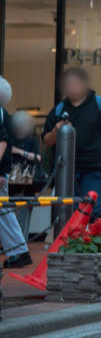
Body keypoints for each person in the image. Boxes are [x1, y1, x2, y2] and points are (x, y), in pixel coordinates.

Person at [42, 67, 101, 218]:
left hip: (95, 166)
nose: (71, 87)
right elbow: (46, 140)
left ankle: (95, 240)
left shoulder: (100, 105)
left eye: (75, 83)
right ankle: (71, 241)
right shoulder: (59, 110)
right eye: (68, 84)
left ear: (84, 84)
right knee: (68, 210)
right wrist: (56, 131)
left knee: (92, 209)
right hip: (67, 169)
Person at [0, 77, 32, 269]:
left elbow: (3, 141)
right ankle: (19, 252)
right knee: (4, 211)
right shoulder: (4, 114)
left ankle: (19, 252)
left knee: (4, 211)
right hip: (3, 170)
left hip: (1, 171)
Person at [5, 110, 44, 263]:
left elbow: (38, 157)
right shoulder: (8, 139)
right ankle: (14, 246)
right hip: (10, 183)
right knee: (9, 214)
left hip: (27, 183)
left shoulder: (31, 141)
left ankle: (21, 246)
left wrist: (18, 152)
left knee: (24, 214)